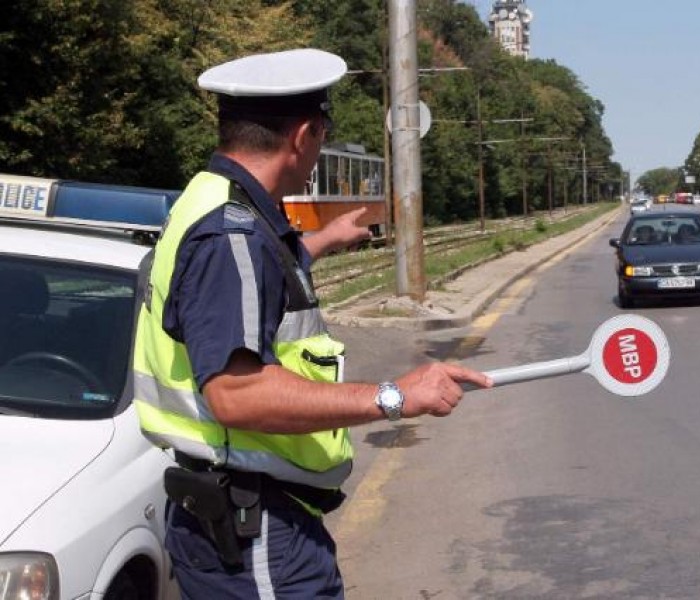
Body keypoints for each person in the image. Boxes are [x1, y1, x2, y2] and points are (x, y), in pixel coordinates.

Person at [132, 48, 492, 598]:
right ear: (303, 135)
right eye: (322, 135)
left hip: (243, 508)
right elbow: (237, 393)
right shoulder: (232, 236)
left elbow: (246, 293)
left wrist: (320, 242)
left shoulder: (207, 202)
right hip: (254, 527)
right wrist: (396, 396)